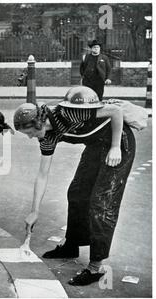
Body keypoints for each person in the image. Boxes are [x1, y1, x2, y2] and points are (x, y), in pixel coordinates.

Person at [14, 86, 136, 286]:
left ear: (38, 122)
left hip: (119, 141)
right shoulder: (47, 137)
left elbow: (115, 112)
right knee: (77, 193)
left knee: (102, 202)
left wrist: (115, 147)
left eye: (29, 132)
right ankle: (72, 245)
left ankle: (96, 267)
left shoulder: (68, 112)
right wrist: (34, 211)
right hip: (96, 145)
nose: (30, 137)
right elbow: (42, 174)